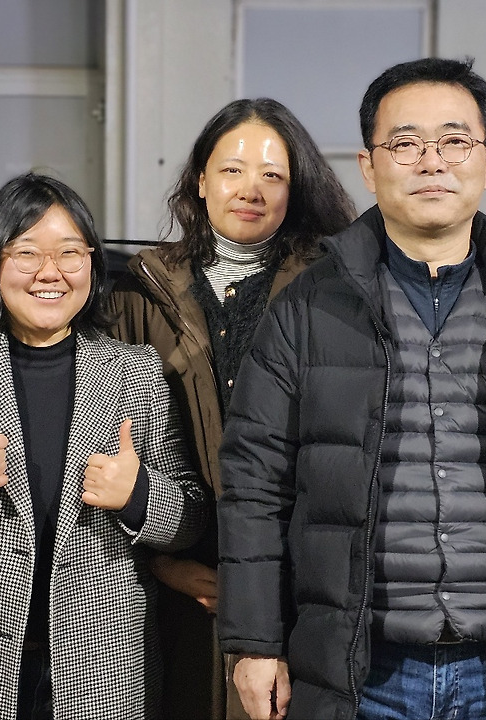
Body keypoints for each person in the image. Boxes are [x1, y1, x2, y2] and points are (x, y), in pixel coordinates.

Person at [216, 56, 486, 720]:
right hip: (360, 670)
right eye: (406, 143)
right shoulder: (307, 308)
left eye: (454, 142)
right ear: (368, 166)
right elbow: (254, 482)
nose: (432, 162)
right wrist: (255, 642)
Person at [0, 172, 208, 719]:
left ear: (91, 264)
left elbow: (190, 518)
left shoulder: (135, 373)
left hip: (101, 672)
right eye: (26, 253)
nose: (50, 272)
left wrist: (139, 494)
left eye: (70, 252)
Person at [109, 97, 356, 719]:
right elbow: (101, 449)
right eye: (232, 170)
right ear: (201, 180)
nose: (251, 189)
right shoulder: (139, 295)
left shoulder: (334, 290)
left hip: (300, 595)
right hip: (173, 591)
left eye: (273, 174)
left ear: (296, 190)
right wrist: (164, 563)